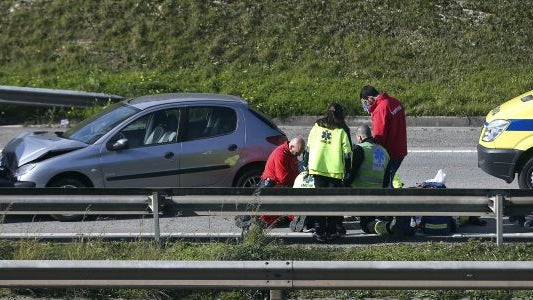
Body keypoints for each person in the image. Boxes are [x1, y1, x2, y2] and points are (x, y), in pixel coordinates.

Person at [305, 102, 352, 242]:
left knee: (320, 201)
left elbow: (308, 147)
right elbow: (347, 154)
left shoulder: (317, 126)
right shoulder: (341, 130)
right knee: (332, 202)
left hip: (317, 169)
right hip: (334, 171)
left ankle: (319, 230)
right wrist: (347, 169)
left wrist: (306, 164)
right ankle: (331, 231)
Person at [235, 136, 306, 229]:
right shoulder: (281, 154)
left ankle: (281, 219)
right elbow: (283, 178)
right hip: (270, 182)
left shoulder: (292, 153)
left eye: (299, 153)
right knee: (258, 202)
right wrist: (295, 182)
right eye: (297, 153)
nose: (298, 155)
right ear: (291, 147)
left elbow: (295, 170)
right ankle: (244, 220)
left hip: (280, 184)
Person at [359, 85, 407, 188]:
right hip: (400, 149)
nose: (366, 105)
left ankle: (388, 203)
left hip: (390, 153)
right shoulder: (395, 102)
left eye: (366, 102)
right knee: (390, 178)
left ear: (370, 98)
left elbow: (379, 137)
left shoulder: (380, 109)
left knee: (386, 184)